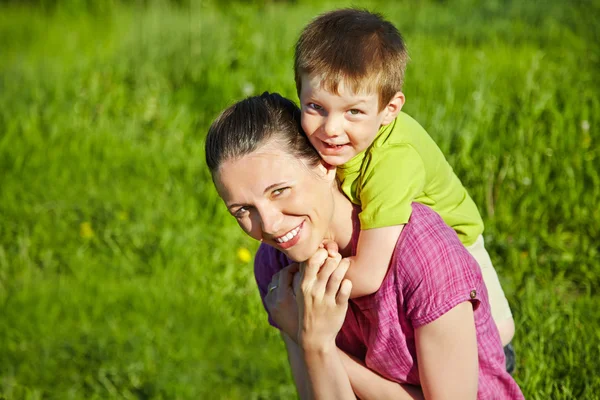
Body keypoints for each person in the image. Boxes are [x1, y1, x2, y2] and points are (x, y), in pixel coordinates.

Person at [205, 92, 524, 399]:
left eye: (280, 191)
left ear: (323, 165)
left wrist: (314, 342)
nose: (271, 225)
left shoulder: (423, 253)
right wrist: (315, 347)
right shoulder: (275, 268)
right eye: (243, 210)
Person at [294, 8, 516, 346]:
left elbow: (368, 275)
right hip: (400, 251)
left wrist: (305, 280)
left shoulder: (392, 163)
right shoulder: (331, 139)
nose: (331, 129)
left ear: (389, 110)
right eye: (316, 107)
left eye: (354, 111)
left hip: (457, 253)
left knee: (485, 341)